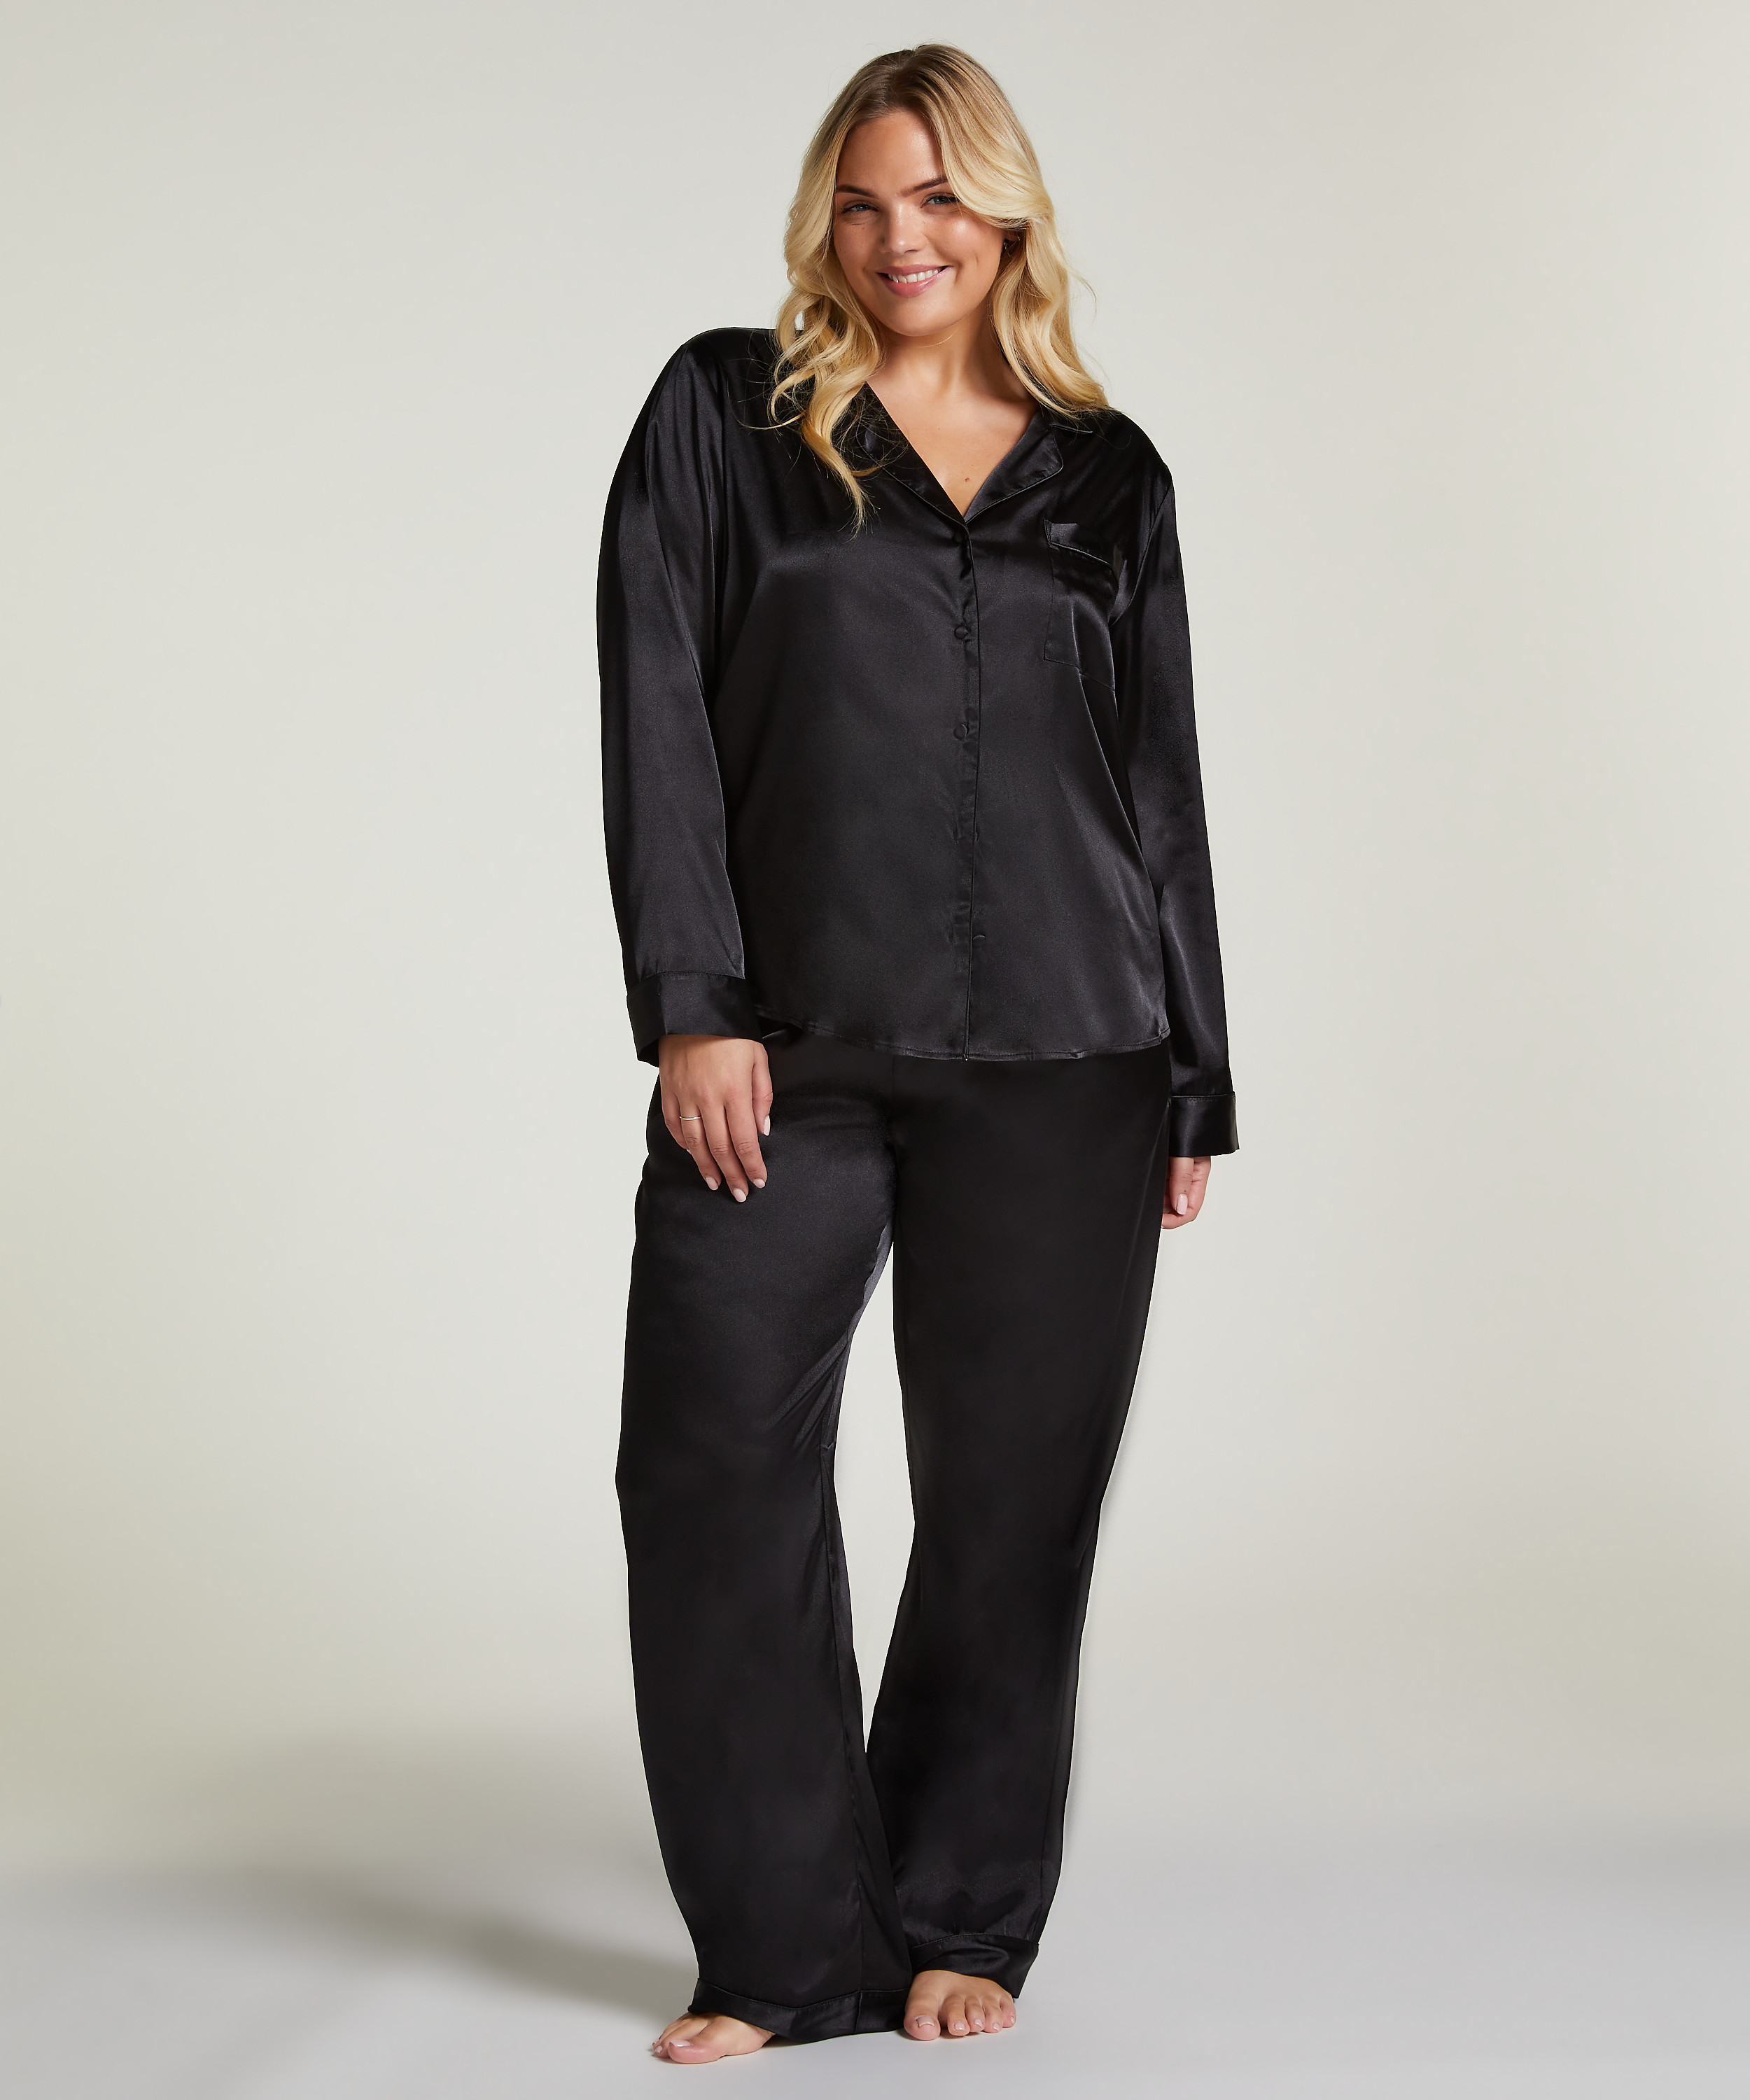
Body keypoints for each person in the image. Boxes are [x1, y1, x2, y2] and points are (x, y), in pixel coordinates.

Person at [598, 43, 1236, 2064]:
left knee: (1008, 1508)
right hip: (786, 1051)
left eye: (943, 197)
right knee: (709, 1463)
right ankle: (786, 1949)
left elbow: (1156, 785)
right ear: (825, 220)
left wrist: (1197, 1073)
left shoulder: (1108, 475)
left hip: (1073, 1048)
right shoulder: (725, 417)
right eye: (867, 202)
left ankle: (961, 1910)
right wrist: (694, 1003)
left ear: (1009, 213)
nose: (904, 239)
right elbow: (655, 704)